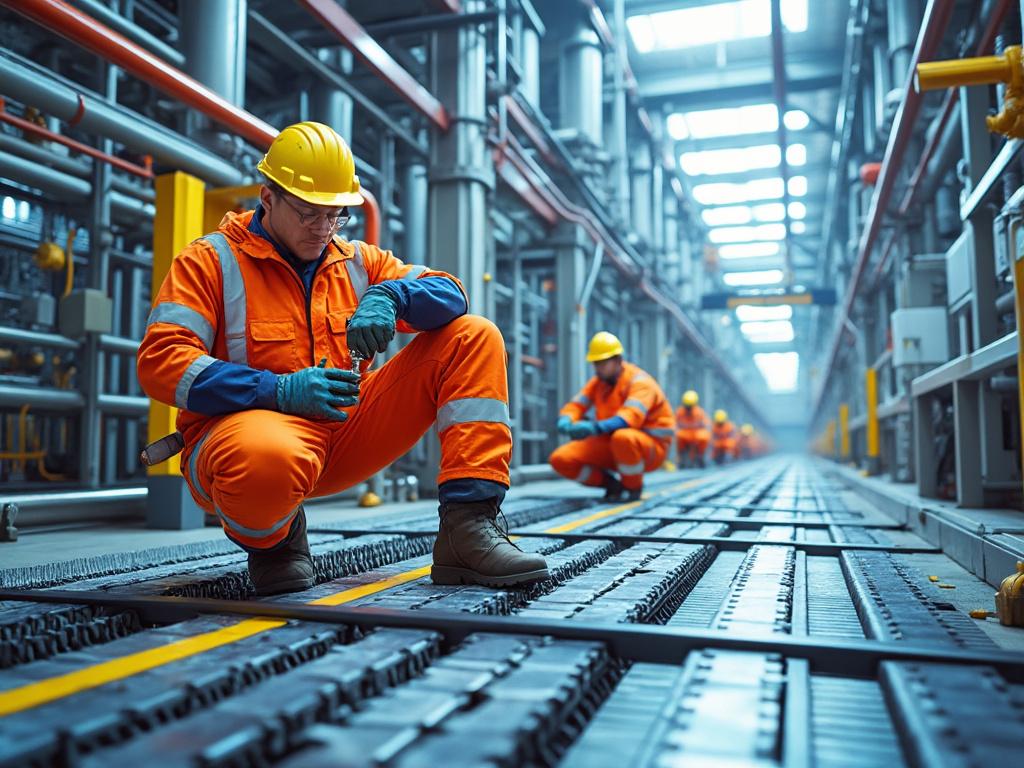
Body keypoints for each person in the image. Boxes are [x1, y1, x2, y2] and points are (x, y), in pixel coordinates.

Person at [137, 121, 548, 595]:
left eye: (336, 215)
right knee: (264, 460)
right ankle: (277, 545)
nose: (323, 228)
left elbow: (452, 294)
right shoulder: (209, 261)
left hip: (346, 430)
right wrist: (276, 391)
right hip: (253, 438)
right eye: (310, 213)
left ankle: (467, 530)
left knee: (474, 336)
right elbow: (162, 362)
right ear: (268, 198)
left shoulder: (355, 260)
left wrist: (392, 296)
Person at [548, 331, 675, 501]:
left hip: (650, 448)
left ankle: (633, 488)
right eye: (596, 363)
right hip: (613, 442)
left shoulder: (640, 382)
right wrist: (566, 419)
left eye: (602, 363)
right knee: (561, 459)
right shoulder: (599, 382)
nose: (598, 368)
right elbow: (577, 404)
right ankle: (613, 485)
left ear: (618, 360)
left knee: (623, 438)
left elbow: (629, 418)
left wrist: (593, 428)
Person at [675, 390, 710, 468]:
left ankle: (700, 455)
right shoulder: (679, 412)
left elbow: (706, 424)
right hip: (685, 433)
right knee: (679, 435)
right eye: (687, 406)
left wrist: (701, 425)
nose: (688, 408)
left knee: (704, 436)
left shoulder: (699, 412)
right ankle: (682, 457)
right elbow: (675, 423)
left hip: (696, 433)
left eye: (690, 406)